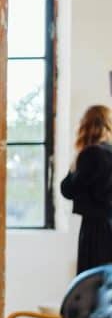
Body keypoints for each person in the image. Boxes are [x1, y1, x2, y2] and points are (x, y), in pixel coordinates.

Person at [60, 104, 112, 274]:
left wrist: (73, 167)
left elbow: (68, 189)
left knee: (93, 281)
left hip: (97, 229)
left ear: (86, 126)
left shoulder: (91, 154)